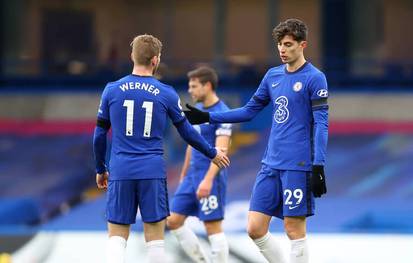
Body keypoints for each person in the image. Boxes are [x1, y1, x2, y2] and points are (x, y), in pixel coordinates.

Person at [183, 18, 328, 263]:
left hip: (298, 164)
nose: (282, 49)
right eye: (280, 44)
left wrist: (318, 166)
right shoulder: (272, 76)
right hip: (270, 163)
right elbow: (249, 111)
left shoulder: (315, 78)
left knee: (294, 229)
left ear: (303, 45)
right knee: (255, 228)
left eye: (289, 44)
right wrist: (208, 116)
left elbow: (322, 123)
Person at [93, 34, 230, 263]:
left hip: (121, 169)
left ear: (131, 56)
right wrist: (212, 152)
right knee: (155, 239)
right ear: (156, 60)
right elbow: (186, 131)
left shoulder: (112, 89)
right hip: (152, 172)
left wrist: (100, 168)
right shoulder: (166, 93)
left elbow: (99, 135)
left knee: (117, 236)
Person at [166, 66, 232, 263]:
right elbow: (191, 145)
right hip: (192, 176)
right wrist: (184, 174)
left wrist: (208, 180)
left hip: (210, 177)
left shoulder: (223, 113)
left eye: (194, 86)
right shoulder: (198, 111)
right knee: (174, 221)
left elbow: (222, 152)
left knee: (212, 226)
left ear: (207, 86)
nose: (190, 90)